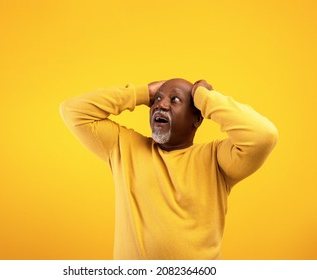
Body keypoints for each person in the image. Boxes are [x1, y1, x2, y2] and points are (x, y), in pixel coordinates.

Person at [60, 78, 278, 259]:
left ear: (197, 119)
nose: (160, 105)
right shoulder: (123, 147)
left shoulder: (216, 160)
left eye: (174, 100)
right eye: (157, 99)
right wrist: (141, 93)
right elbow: (72, 111)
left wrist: (204, 97)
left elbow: (262, 135)